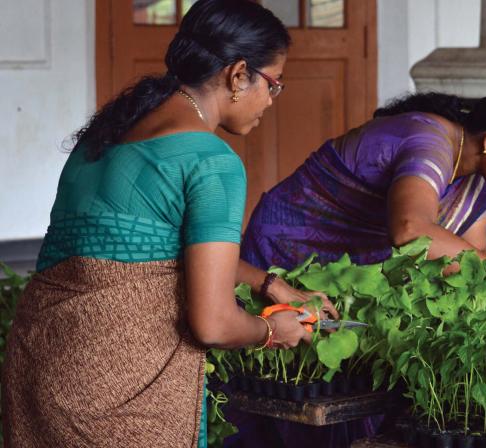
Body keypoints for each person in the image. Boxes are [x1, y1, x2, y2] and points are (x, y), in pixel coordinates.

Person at [0, 1, 323, 446]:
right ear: (237, 74)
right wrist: (272, 330)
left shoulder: (105, 135)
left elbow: (142, 246)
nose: (271, 99)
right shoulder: (210, 163)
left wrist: (267, 284)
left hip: (40, 366)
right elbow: (212, 324)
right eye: (273, 83)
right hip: (117, 398)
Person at [236, 83, 486, 446]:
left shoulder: (483, 181)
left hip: (352, 277)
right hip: (287, 251)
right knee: (286, 385)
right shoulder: (430, 140)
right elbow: (410, 229)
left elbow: (472, 263)